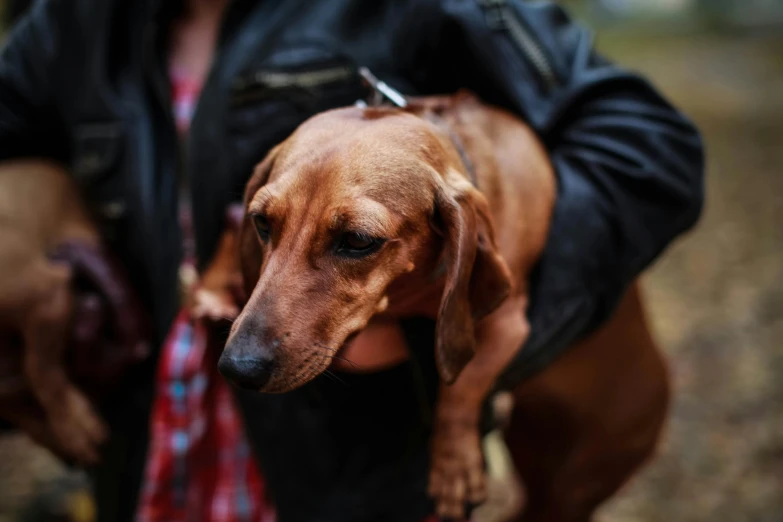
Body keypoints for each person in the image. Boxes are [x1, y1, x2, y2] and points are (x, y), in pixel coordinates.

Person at [0, 0, 704, 521]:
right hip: (147, 452)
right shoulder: (69, 23)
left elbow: (651, 149)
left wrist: (442, 329)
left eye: (354, 239)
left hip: (358, 478)